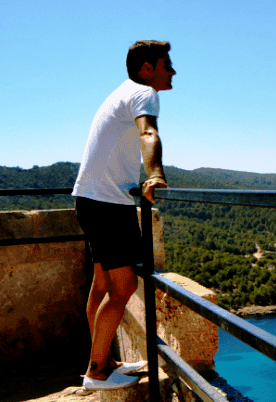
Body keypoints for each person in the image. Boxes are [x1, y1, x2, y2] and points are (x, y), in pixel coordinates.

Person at [72, 40, 175, 390]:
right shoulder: (144, 93)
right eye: (166, 64)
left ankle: (106, 360)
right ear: (147, 68)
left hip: (91, 198)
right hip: (107, 204)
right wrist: (155, 174)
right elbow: (148, 132)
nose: (172, 71)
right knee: (125, 285)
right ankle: (97, 372)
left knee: (103, 284)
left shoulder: (121, 92)